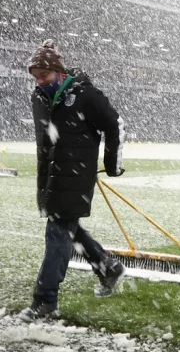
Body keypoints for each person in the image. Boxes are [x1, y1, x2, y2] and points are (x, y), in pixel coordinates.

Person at [20, 40, 126, 321]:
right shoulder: (39, 98)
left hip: (76, 176)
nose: (39, 82)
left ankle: (45, 301)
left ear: (59, 71)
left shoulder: (85, 95)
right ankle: (107, 267)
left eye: (44, 76)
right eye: (35, 77)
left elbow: (114, 123)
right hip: (51, 177)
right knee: (67, 229)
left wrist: (112, 163)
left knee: (57, 235)